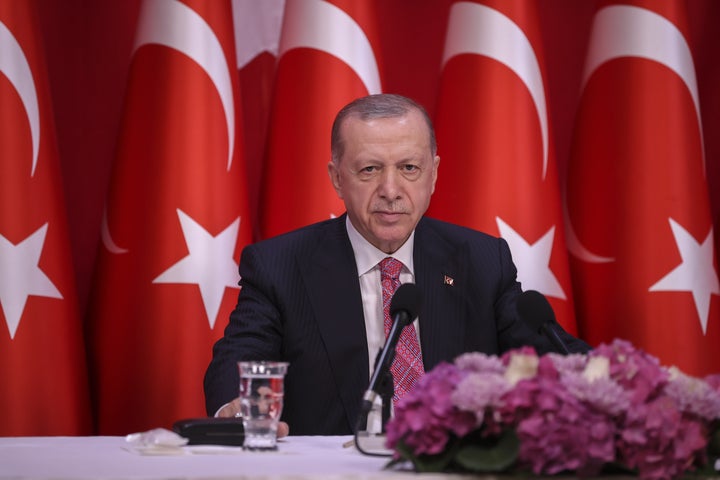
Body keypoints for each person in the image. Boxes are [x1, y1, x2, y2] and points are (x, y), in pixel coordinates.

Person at [204, 93, 590, 436]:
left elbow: (546, 351)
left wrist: (607, 379)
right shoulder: (280, 265)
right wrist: (236, 407)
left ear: (434, 174)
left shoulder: (482, 261)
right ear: (337, 178)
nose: (390, 191)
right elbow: (241, 357)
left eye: (409, 168)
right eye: (369, 170)